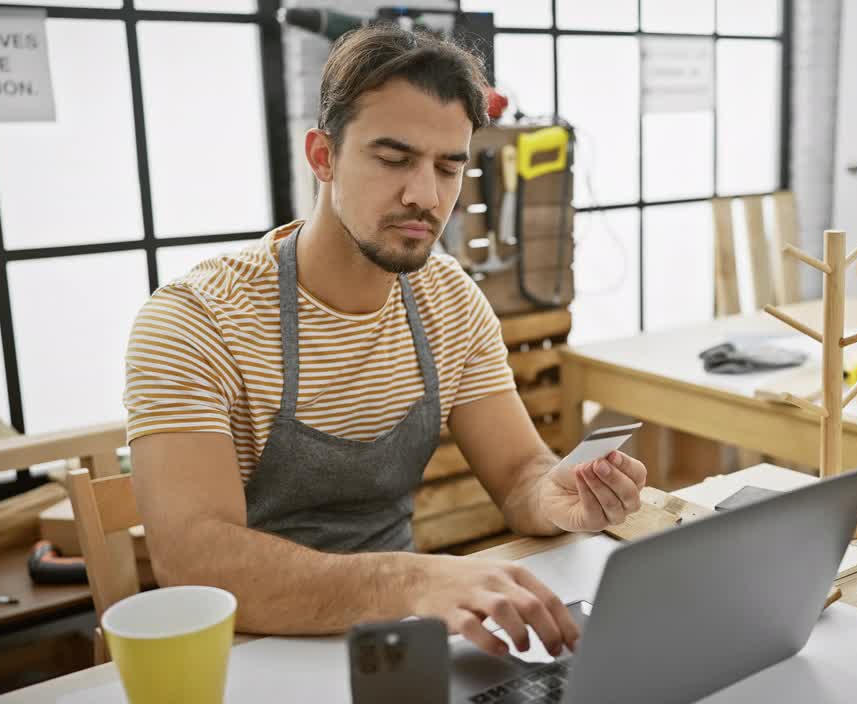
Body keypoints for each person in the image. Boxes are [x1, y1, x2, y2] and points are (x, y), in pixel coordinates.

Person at [122, 23, 645, 659]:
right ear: (322, 156)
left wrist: (558, 496)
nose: (424, 195)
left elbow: (518, 475)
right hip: (242, 654)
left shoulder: (450, 302)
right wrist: (412, 579)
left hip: (401, 641)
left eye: (449, 167)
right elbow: (194, 563)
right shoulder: (195, 321)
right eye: (393, 159)